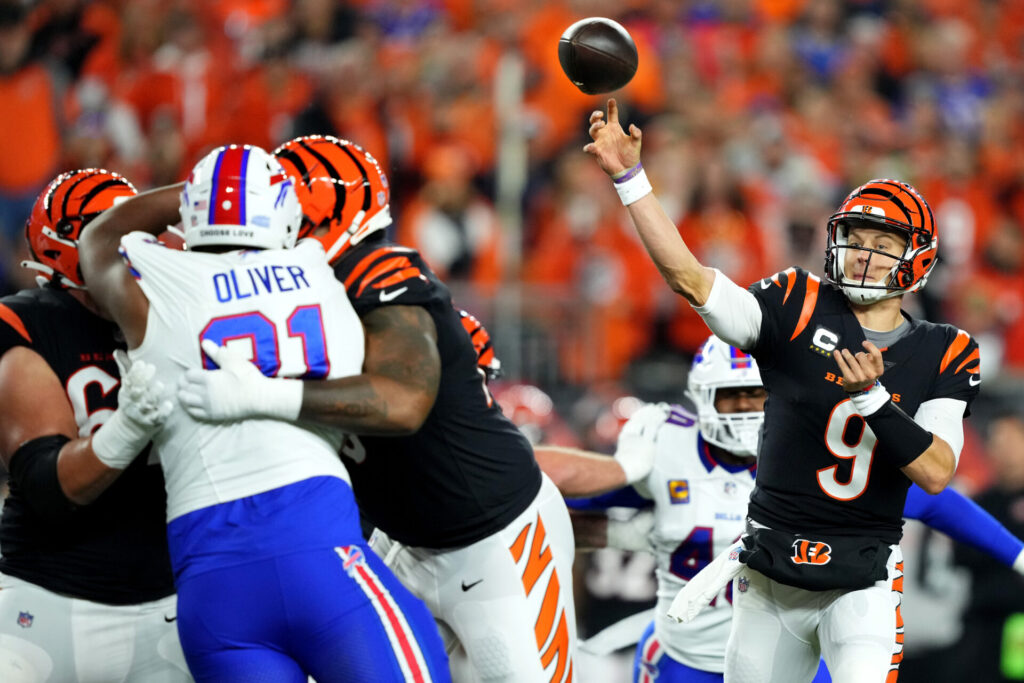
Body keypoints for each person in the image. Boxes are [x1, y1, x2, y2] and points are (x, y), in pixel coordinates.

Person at [584, 99, 982, 682]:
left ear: (916, 259)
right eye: (856, 237)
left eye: (883, 243)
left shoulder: (946, 348)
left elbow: (937, 471)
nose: (865, 254)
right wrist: (629, 178)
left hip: (863, 578)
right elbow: (688, 278)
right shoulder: (795, 301)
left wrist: (873, 401)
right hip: (769, 574)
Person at [177, 134, 579, 682]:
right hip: (400, 544)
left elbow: (402, 403)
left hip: (496, 541)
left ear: (319, 215)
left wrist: (264, 394)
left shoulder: (380, 271)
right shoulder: (287, 292)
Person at [77, 144, 448, 683]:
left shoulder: (158, 281)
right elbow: (395, 394)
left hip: (211, 585)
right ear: (282, 210)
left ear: (192, 211)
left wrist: (196, 193)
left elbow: (99, 238)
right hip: (320, 552)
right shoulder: (315, 267)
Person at [534, 334, 1024, 683]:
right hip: (687, 654)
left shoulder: (812, 454)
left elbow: (933, 502)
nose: (749, 409)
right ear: (703, 400)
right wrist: (623, 489)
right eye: (734, 397)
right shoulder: (668, 450)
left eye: (759, 395)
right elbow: (558, 499)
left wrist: (1016, 553)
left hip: (790, 649)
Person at [0, 168, 190, 682]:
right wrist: (127, 428)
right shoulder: (31, 321)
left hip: (169, 606)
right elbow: (46, 487)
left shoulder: (178, 313)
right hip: (48, 604)